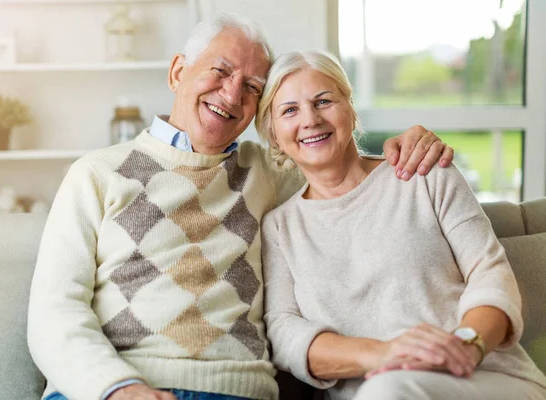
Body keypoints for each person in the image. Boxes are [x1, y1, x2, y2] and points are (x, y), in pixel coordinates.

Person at [27, 14, 454, 400]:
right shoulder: (98, 174)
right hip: (110, 387)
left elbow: (342, 168)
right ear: (178, 72)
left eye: (252, 87)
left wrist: (407, 146)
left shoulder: (266, 171)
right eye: (220, 71)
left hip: (232, 389)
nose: (232, 95)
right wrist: (118, 388)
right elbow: (54, 310)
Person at [258, 49, 546, 400]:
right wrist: (384, 354)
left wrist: (466, 346)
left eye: (323, 101)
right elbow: (285, 333)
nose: (310, 119)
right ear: (274, 135)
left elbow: (490, 272)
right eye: (290, 110)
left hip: (484, 378)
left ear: (350, 107)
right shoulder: (279, 228)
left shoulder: (423, 172)